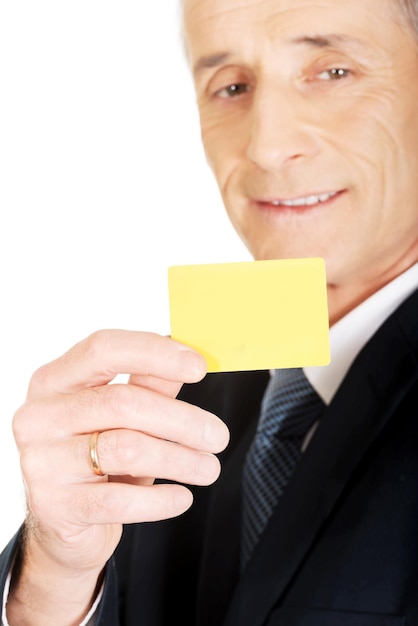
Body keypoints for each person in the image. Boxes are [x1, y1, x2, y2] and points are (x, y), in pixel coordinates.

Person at [2, 0, 418, 623]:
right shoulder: (175, 408)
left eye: (333, 72)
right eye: (231, 86)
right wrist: (57, 574)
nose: (268, 146)